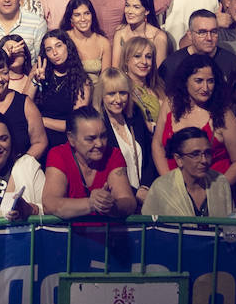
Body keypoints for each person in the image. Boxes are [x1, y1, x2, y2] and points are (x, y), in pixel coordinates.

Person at [152, 52, 236, 184]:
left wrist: (219, 189)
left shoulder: (224, 115)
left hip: (212, 188)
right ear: (185, 81)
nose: (205, 88)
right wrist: (169, 183)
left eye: (210, 81)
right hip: (173, 187)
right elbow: (157, 145)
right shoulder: (170, 103)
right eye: (199, 81)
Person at [41, 106, 137, 219]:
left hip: (106, 230)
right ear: (71, 139)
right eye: (91, 139)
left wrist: (111, 206)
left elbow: (129, 202)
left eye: (103, 136)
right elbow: (50, 204)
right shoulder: (59, 155)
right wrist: (91, 203)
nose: (99, 144)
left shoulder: (113, 155)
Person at [141, 125, 234, 219]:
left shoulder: (220, 182)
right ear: (179, 159)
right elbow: (148, 225)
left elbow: (231, 222)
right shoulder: (162, 188)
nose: (204, 160)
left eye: (207, 153)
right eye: (195, 154)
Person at [93, 67, 156, 204]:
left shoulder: (135, 114)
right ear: (101, 95)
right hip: (117, 200)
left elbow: (149, 154)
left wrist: (145, 187)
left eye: (122, 93)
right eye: (111, 94)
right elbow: (102, 170)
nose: (118, 99)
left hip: (145, 195)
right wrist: (134, 193)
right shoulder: (97, 124)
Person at [31, 29, 92, 150]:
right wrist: (34, 81)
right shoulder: (40, 70)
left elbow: (75, 124)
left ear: (67, 46)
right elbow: (22, 104)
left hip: (64, 141)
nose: (55, 52)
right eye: (49, 49)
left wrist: (41, 120)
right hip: (37, 137)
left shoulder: (81, 81)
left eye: (58, 46)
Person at [60, 0, 112, 86]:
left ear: (92, 16)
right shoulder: (63, 39)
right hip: (68, 89)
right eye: (77, 15)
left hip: (96, 91)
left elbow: (105, 80)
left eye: (87, 13)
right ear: (71, 19)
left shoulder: (103, 43)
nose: (83, 19)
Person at [110, 0, 168, 69]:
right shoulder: (120, 32)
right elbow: (115, 68)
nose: (130, 11)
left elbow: (159, 72)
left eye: (136, 7)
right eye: (127, 6)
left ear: (147, 11)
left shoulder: (158, 37)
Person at [119, 35, 166, 132]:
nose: (144, 62)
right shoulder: (122, 90)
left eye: (148, 57)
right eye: (137, 56)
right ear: (126, 60)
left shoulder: (159, 87)